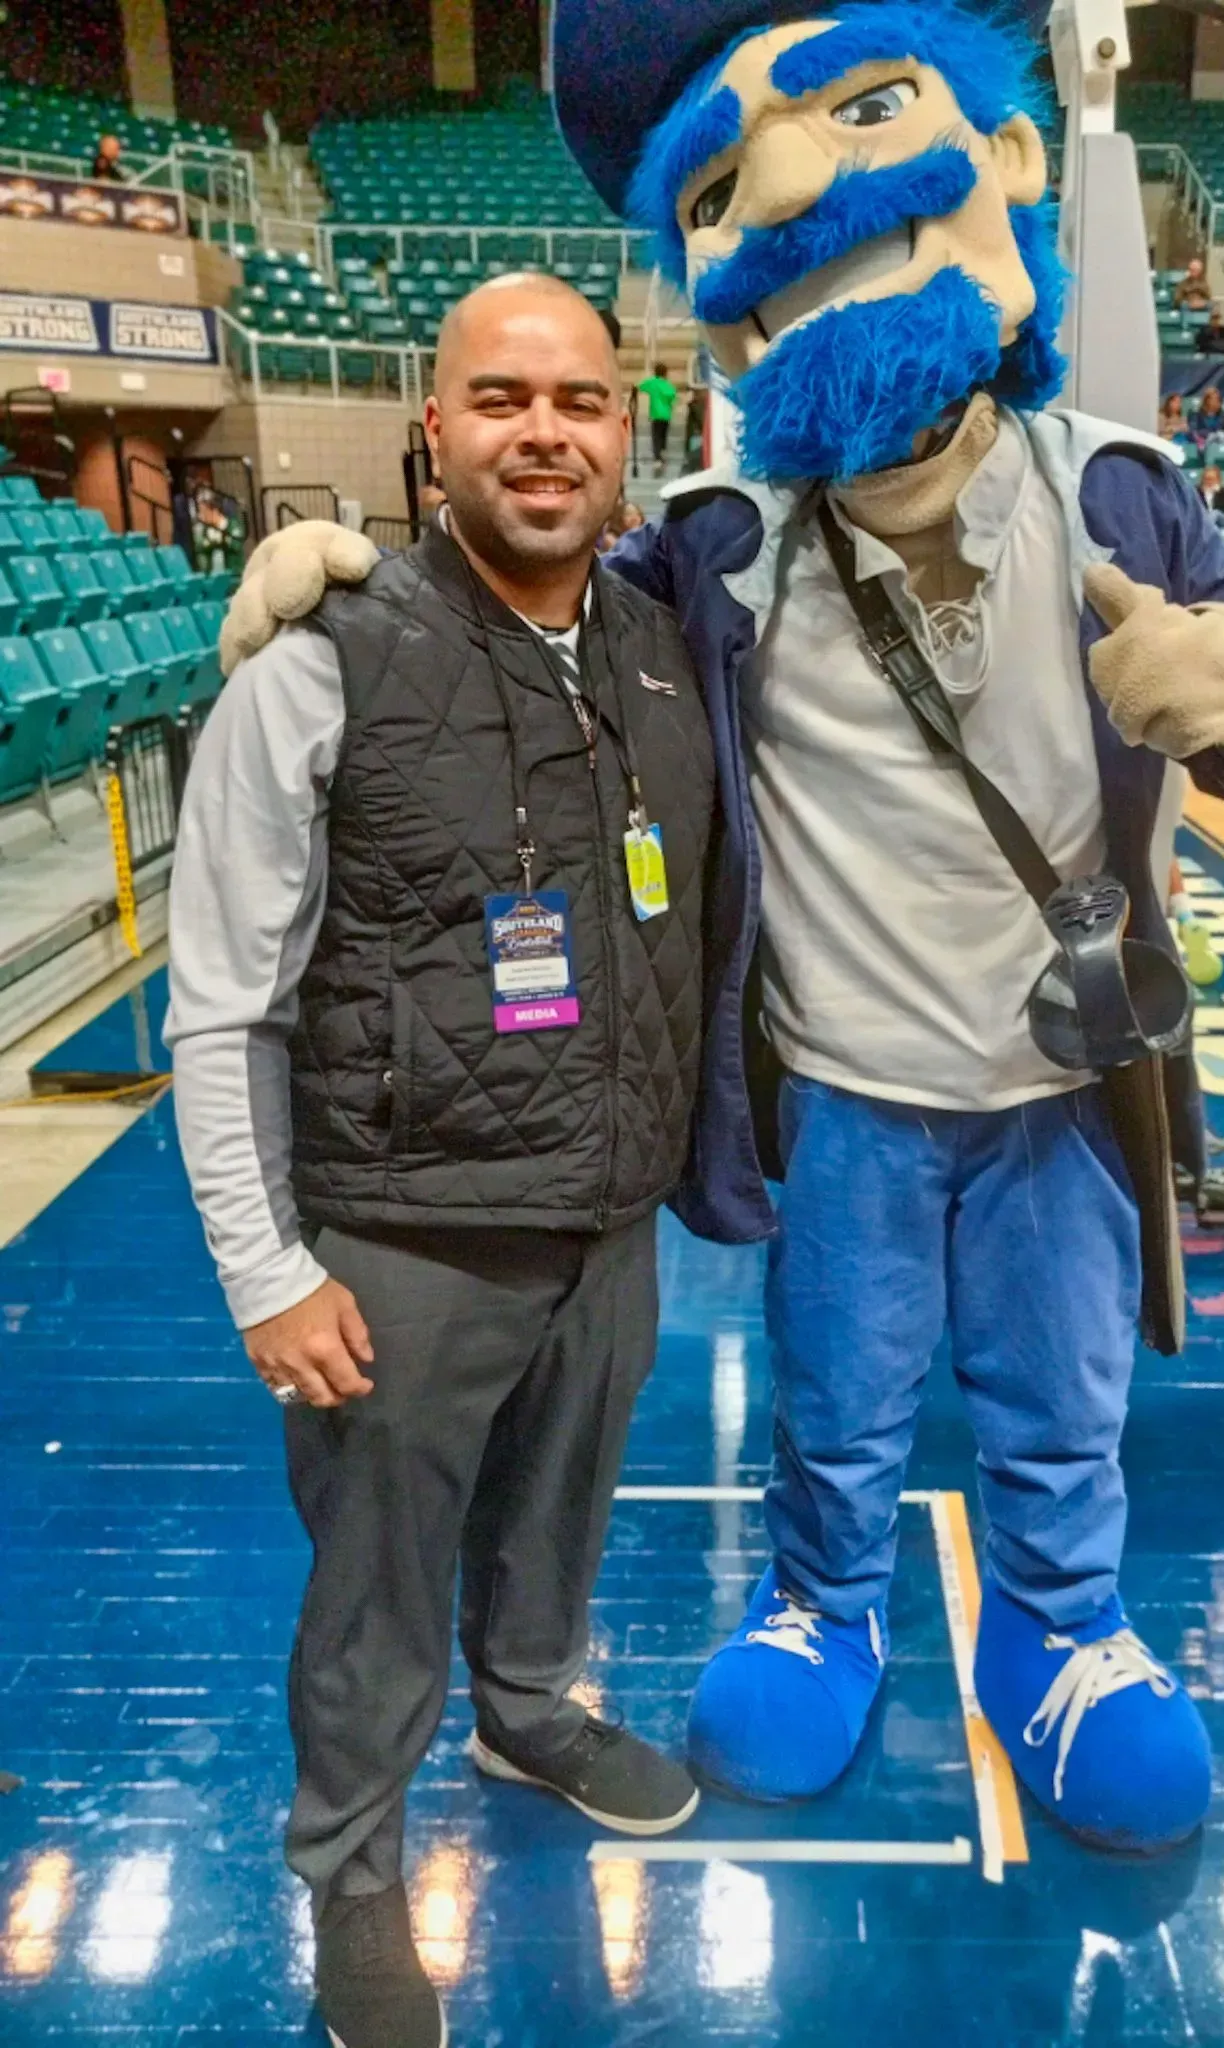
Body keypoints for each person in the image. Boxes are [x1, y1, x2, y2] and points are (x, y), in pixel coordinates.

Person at [223, 0, 1224, 1870]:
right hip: (848, 1099)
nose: (800, 204)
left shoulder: (1119, 487)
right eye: (738, 192)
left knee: (1062, 1400)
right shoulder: (721, 547)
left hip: (1068, 1090)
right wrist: (352, 581)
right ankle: (826, 1604)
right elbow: (528, 596)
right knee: (840, 1405)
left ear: (1001, 164)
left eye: (863, 122)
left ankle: (1061, 1635)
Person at [167, 276, 717, 2048]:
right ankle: (348, 1860)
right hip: (399, 1239)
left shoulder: (658, 647)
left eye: (577, 399)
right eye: (499, 398)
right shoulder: (317, 666)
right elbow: (221, 1002)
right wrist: (268, 1264)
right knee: (372, 1592)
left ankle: (531, 1707)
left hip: (606, 1217)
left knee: (553, 1525)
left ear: (626, 431)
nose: (541, 431)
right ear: (433, 428)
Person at [636, 360, 679, 469]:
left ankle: (657, 458)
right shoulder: (668, 386)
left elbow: (639, 386)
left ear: (655, 372)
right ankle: (663, 451)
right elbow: (674, 399)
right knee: (663, 435)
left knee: (656, 437)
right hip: (666, 415)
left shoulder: (652, 383)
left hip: (655, 415)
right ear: (665, 373)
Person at [1188, 383, 1224, 452]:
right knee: (1212, 436)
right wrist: (1207, 434)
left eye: (1218, 399)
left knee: (1221, 434)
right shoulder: (1196, 413)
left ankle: (1221, 456)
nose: (1216, 401)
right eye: (1213, 399)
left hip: (1219, 439)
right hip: (1203, 439)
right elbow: (1193, 430)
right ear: (1207, 400)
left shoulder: (1222, 414)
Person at [1194, 461, 1224, 528]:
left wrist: (1217, 493)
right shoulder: (1197, 492)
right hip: (1203, 521)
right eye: (1207, 479)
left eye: (1212, 479)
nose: (1209, 482)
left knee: (1215, 513)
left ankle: (1206, 530)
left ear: (1218, 480)